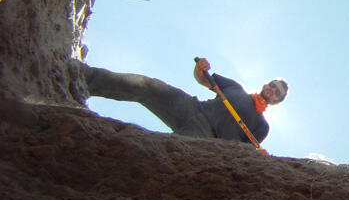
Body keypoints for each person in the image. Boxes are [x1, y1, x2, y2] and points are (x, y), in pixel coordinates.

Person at [82, 57, 287, 145]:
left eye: (277, 92)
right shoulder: (236, 88)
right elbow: (204, 79)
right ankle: (85, 79)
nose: (272, 90)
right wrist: (199, 69)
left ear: (277, 101)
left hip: (206, 136)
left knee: (164, 148)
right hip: (191, 107)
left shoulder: (262, 125)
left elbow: (244, 152)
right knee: (149, 87)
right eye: (272, 84)